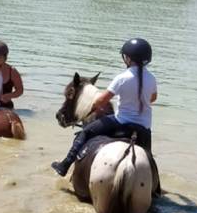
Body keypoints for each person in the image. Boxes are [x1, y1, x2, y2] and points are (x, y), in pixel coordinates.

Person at [51, 37, 157, 176]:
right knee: (149, 159)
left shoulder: (122, 77)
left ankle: (65, 165)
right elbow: (153, 98)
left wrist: (94, 106)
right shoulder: (152, 78)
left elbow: (101, 101)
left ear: (129, 58)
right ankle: (156, 188)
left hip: (121, 121)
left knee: (85, 132)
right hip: (144, 127)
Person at [0, 40, 24, 108]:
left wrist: (9, 96)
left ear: (5, 57)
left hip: (5, 105)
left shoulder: (12, 71)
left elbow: (20, 90)